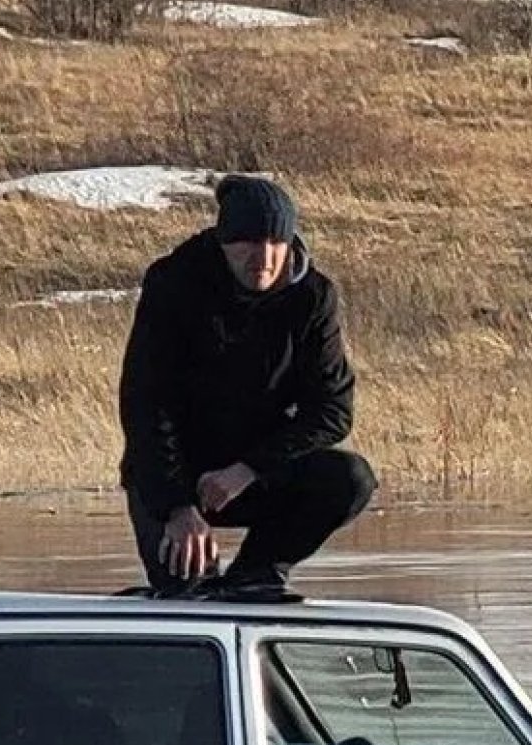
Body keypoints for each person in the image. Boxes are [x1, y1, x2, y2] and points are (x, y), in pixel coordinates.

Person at [116, 171, 377, 599]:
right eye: (249, 243)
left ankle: (256, 572)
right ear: (224, 243)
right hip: (175, 471)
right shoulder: (175, 282)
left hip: (256, 470)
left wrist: (249, 469)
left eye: (276, 243)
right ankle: (188, 586)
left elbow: (332, 410)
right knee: (186, 594)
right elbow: (146, 404)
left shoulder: (313, 297)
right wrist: (178, 506)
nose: (264, 257)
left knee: (350, 478)